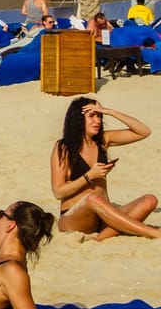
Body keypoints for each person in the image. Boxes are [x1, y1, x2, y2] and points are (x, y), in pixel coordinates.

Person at [50, 97, 160, 239]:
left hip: (102, 218)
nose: (98, 120)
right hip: (74, 218)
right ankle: (154, 234)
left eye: (99, 116)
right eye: (91, 116)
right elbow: (58, 192)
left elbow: (143, 132)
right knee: (92, 199)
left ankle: (101, 238)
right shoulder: (64, 148)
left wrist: (109, 111)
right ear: (78, 119)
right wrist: (89, 176)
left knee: (149, 200)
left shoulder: (103, 140)